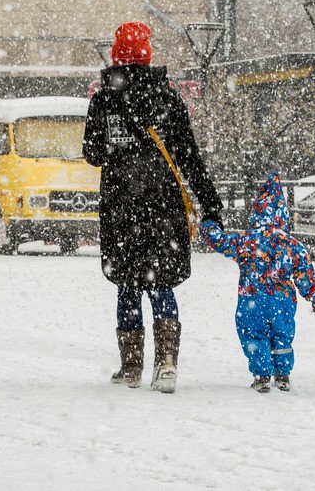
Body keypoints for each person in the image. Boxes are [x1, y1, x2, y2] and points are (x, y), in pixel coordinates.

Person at [83, 20, 223, 394]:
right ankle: (167, 364)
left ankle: (131, 367)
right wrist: (210, 205)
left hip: (120, 208)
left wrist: (118, 148)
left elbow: (92, 155)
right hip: (163, 208)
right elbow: (190, 158)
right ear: (147, 54)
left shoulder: (103, 99)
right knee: (160, 284)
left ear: (116, 54)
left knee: (127, 284)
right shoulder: (169, 98)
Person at [200, 173, 315, 393]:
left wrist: (209, 224)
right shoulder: (293, 244)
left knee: (253, 335)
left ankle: (262, 374)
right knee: (282, 336)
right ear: (283, 213)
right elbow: (304, 274)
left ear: (257, 211)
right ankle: (283, 374)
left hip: (252, 298)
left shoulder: (247, 240)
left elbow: (220, 242)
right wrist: (314, 295)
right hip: (282, 300)